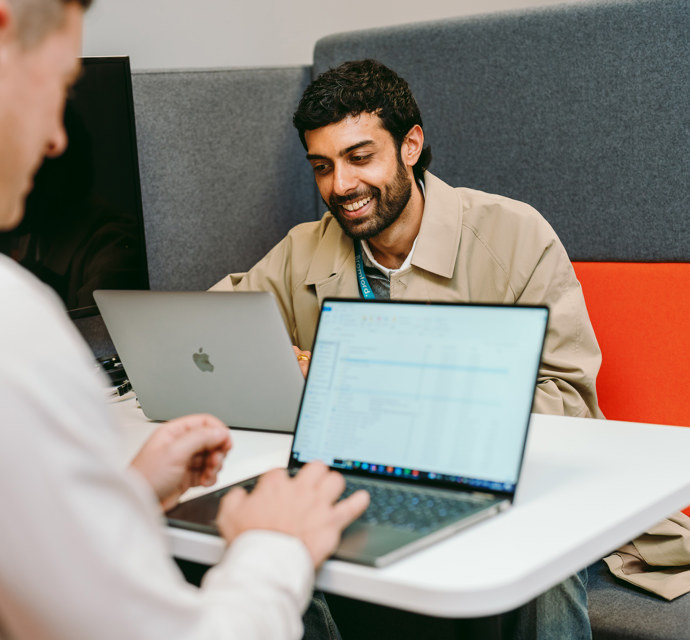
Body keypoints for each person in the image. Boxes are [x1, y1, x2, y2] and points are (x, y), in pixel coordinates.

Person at [0, 2, 369, 639]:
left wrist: (127, 497)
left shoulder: (507, 233)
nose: (59, 138)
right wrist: (274, 544)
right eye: (61, 82)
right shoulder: (16, 337)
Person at [211, 59, 604, 638]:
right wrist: (286, 363)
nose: (340, 186)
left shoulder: (514, 236)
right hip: (353, 482)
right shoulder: (304, 249)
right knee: (264, 546)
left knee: (545, 565)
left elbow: (567, 397)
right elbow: (217, 329)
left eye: (360, 157)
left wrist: (378, 396)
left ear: (411, 145)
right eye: (322, 166)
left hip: (496, 488)